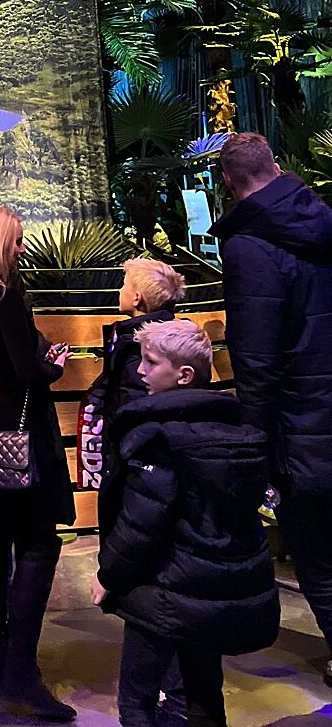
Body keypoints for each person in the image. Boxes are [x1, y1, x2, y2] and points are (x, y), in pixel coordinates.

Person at [92, 319, 280, 727]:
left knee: (137, 702)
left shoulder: (157, 439)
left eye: (151, 361)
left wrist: (108, 576)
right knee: (202, 696)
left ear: (184, 375)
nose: (140, 370)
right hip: (209, 593)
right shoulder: (236, 433)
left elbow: (141, 525)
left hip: (161, 591)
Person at [212, 132, 332, 683]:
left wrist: (253, 447)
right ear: (277, 168)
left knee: (316, 552)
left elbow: (256, 357)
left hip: (299, 425)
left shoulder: (248, 247)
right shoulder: (323, 221)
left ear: (228, 183)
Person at [0, 205, 75, 722]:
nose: (22, 249)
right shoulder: (3, 295)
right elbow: (26, 369)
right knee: (38, 544)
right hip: (18, 436)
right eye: (17, 241)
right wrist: (54, 365)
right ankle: (23, 669)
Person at [88, 259, 186, 484]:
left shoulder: (139, 349)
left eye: (124, 285)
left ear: (136, 298)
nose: (120, 290)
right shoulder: (169, 339)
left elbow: (134, 403)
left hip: (137, 461)